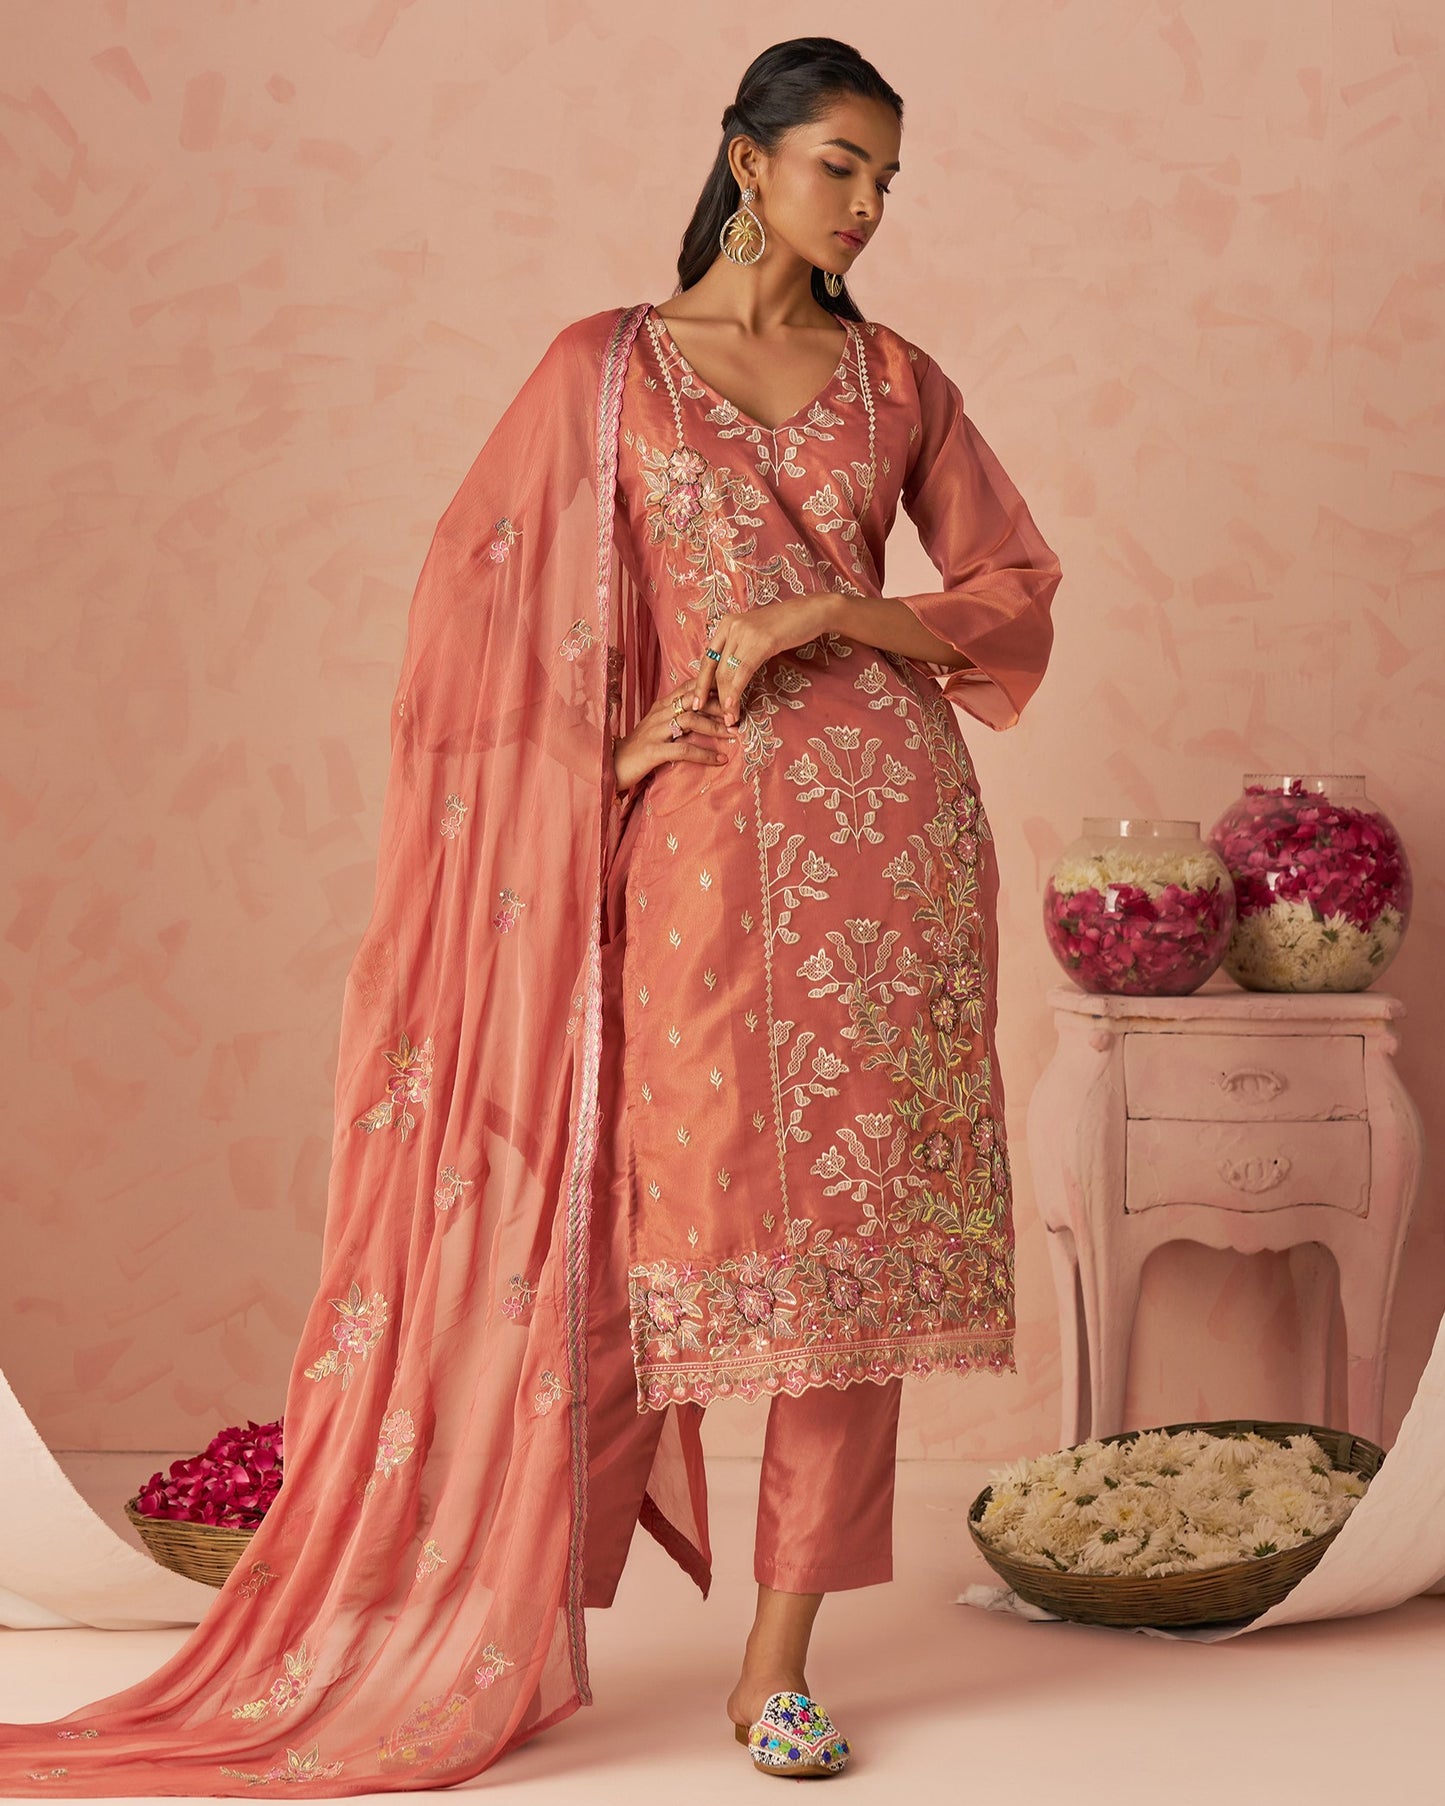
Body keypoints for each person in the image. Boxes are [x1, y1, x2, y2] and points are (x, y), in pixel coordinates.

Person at [0, 35, 1060, 1794]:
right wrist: (607, 744)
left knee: (851, 1285)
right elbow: (476, 623)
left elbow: (1009, 595)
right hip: (703, 850)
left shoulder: (898, 383)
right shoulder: (607, 373)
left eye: (888, 178)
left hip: (897, 853)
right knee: (645, 1243)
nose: (867, 205)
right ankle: (493, 1609)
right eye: (838, 166)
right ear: (744, 156)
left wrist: (826, 622)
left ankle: (776, 1667)